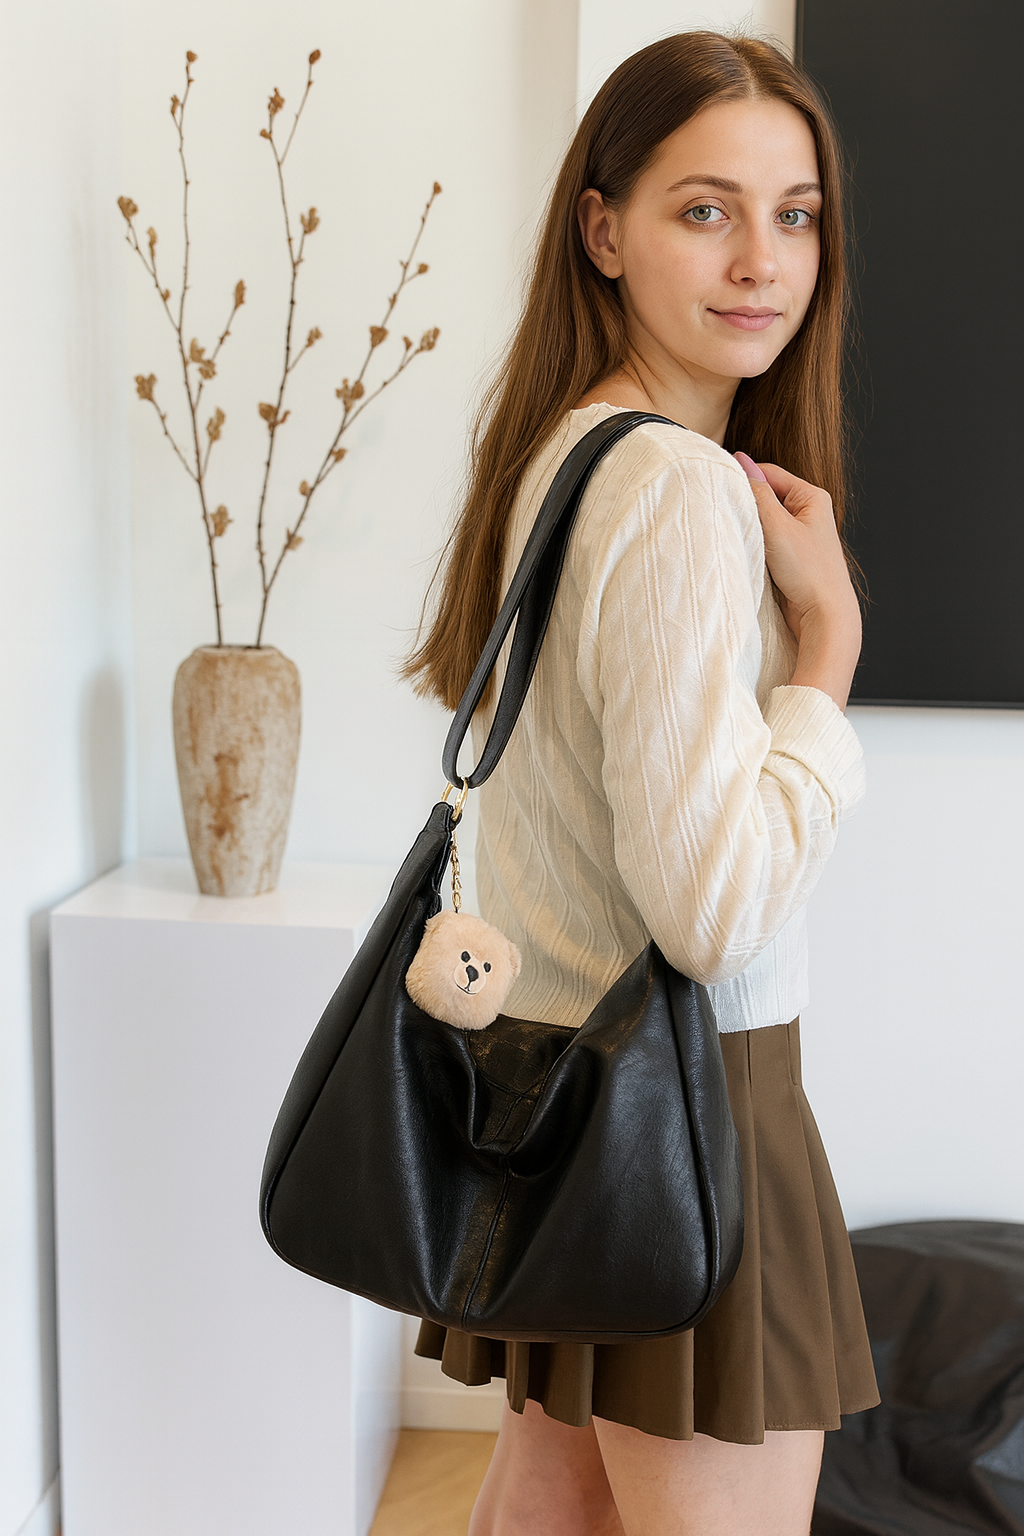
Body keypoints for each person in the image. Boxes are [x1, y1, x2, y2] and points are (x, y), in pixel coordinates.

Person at [404, 30, 879, 1536]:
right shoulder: (674, 489)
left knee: (549, 1496)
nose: (761, 262)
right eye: (705, 209)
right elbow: (717, 915)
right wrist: (829, 651)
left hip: (567, 1092)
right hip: (694, 1113)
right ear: (603, 229)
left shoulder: (571, 452)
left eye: (793, 214)